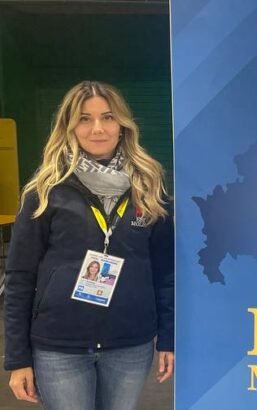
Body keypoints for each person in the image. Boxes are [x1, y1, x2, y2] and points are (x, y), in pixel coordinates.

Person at [4, 81, 175, 410]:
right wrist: (17, 358)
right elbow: (19, 276)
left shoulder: (149, 185)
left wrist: (168, 337)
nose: (98, 128)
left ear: (122, 124)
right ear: (69, 126)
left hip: (129, 344)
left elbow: (165, 271)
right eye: (84, 118)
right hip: (60, 347)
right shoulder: (46, 189)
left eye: (107, 117)